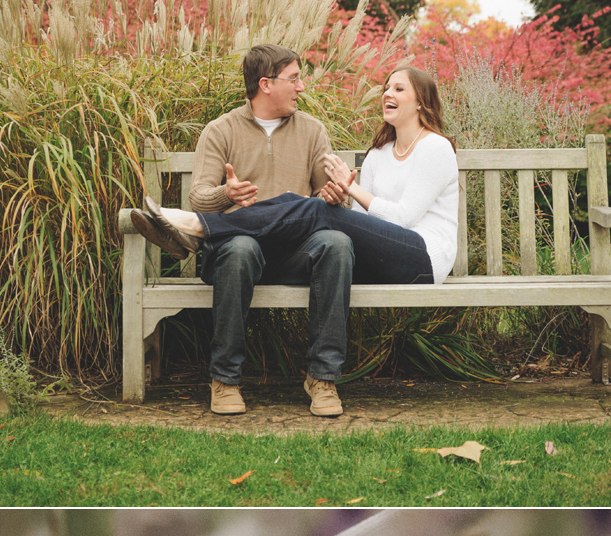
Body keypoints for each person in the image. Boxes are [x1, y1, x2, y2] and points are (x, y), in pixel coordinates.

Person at [130, 65, 461, 346]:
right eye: (386, 87)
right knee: (315, 212)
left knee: (313, 210)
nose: (387, 93)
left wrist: (351, 188)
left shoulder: (435, 148)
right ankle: (201, 228)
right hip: (381, 258)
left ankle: (198, 228)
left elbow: (403, 219)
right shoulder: (377, 155)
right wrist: (336, 202)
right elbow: (361, 226)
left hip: (423, 261)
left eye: (399, 89)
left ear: (421, 102)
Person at [125, 40, 354, 421]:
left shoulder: (312, 131)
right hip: (238, 256)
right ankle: (225, 380)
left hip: (294, 254)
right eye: (294, 79)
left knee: (337, 242)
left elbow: (324, 202)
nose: (301, 87)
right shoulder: (221, 130)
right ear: (266, 84)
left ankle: (322, 378)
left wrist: (334, 195)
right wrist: (225, 193)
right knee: (243, 246)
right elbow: (200, 194)